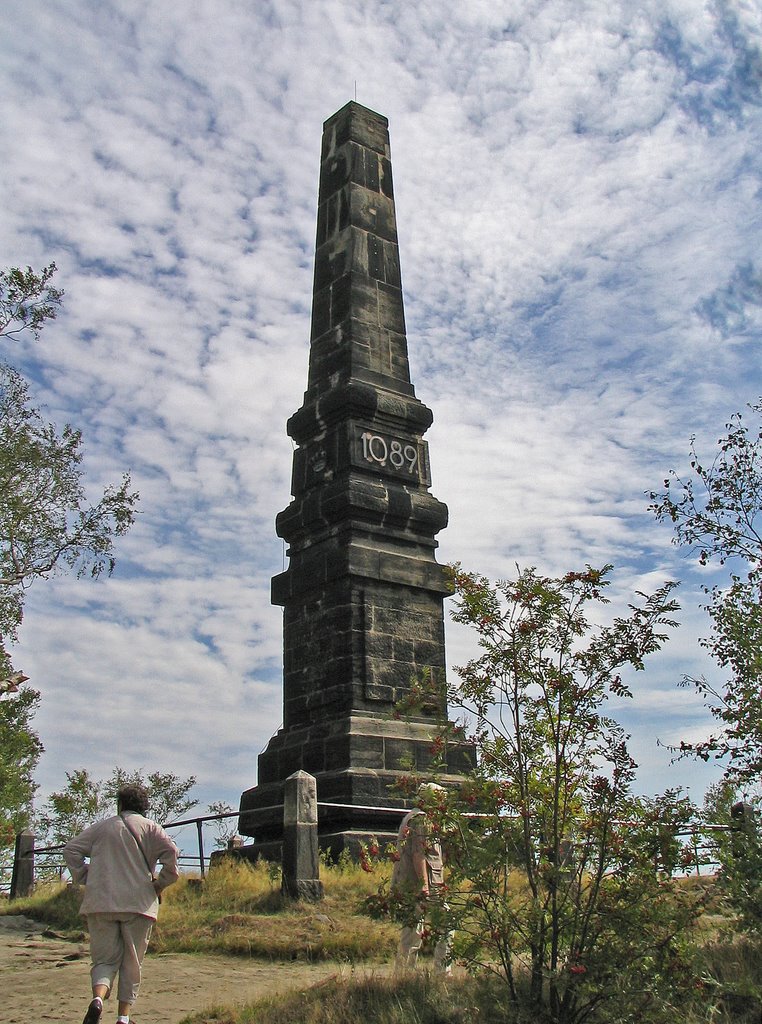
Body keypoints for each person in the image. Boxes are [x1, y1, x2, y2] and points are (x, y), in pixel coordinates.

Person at [64, 784, 179, 1024]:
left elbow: (72, 849)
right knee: (132, 962)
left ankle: (97, 1000)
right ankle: (123, 1018)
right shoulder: (151, 829)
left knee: (104, 960)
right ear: (144, 807)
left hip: (100, 903)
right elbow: (171, 853)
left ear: (120, 804)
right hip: (138, 904)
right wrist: (160, 884)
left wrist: (85, 876)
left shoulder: (103, 827)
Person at [391, 782, 452, 973]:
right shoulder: (422, 820)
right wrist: (424, 886)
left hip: (409, 883)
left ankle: (403, 974)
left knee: (411, 930)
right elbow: (419, 854)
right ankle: (443, 972)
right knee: (447, 923)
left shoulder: (411, 817)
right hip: (424, 885)